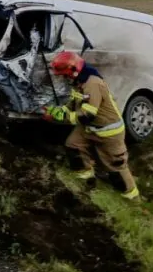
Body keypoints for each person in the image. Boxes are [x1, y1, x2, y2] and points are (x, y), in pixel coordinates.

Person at [42, 51, 140, 200]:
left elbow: (87, 115)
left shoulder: (93, 83)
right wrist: (55, 111)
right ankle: (86, 178)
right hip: (91, 128)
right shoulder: (78, 83)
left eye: (64, 74)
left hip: (109, 132)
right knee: (73, 145)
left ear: (73, 71)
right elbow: (71, 106)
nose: (63, 78)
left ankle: (131, 197)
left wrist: (61, 117)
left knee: (115, 167)